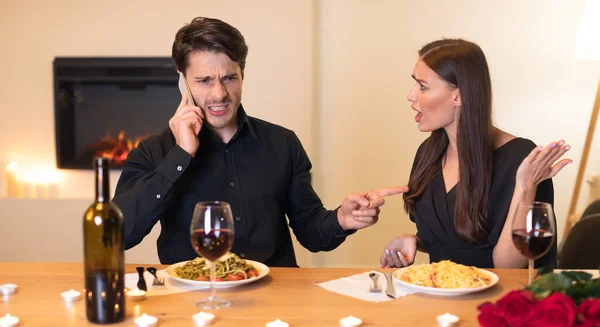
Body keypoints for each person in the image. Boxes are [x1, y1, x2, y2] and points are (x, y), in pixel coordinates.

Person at [114, 17, 406, 267]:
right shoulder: (153, 153)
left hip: (274, 298)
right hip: (193, 300)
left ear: (243, 74)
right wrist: (182, 155)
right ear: (183, 82)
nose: (219, 94)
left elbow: (310, 232)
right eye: (204, 81)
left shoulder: (283, 143)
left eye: (229, 78)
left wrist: (342, 219)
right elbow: (119, 236)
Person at [377, 39, 571, 269]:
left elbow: (508, 266)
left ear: (458, 96)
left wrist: (526, 186)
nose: (411, 95)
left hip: (496, 301)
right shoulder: (427, 154)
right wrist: (415, 241)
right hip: (437, 297)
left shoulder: (521, 159)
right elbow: (455, 239)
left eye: (423, 86)